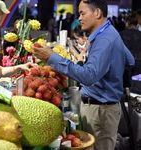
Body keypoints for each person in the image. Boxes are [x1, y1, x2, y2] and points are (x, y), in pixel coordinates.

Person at [32, 0, 135, 149]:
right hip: (105, 108)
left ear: (97, 13)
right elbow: (130, 60)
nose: (79, 18)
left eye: (82, 13)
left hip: (100, 111)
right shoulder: (110, 32)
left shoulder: (104, 39)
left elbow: (88, 76)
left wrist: (52, 57)